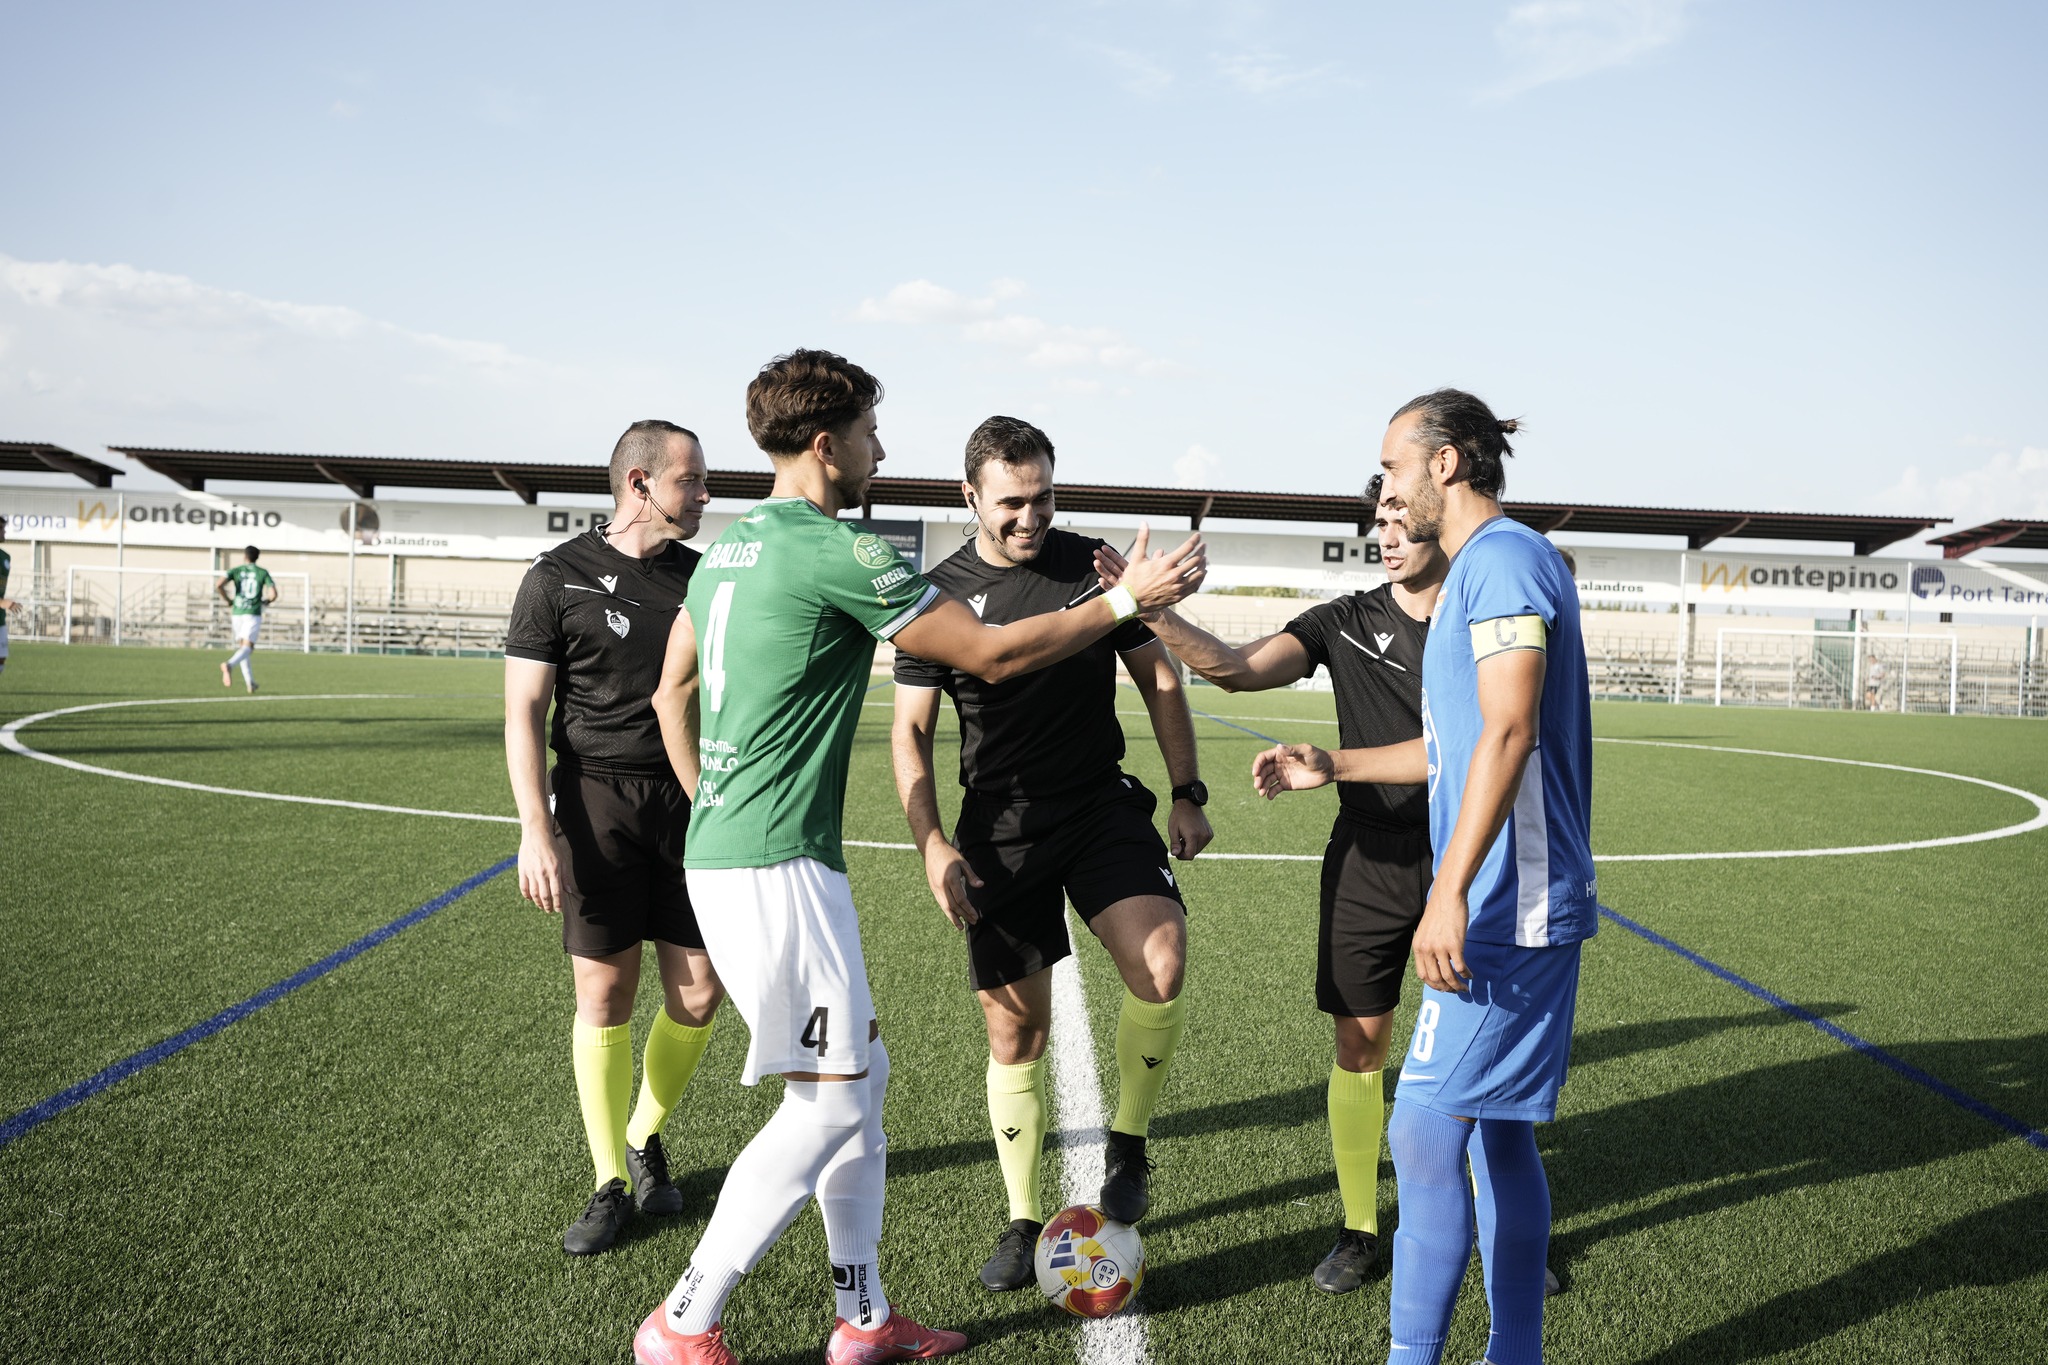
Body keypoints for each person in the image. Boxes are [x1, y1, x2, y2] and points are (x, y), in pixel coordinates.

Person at [637, 349, 1206, 1365]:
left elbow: (668, 691)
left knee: (863, 1078)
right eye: (867, 433)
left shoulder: (728, 549)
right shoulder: (833, 550)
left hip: (738, 851)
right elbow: (987, 655)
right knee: (826, 1103)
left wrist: (709, 800)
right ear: (825, 444)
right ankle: (684, 1317)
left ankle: (862, 1318)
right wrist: (1128, 601)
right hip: (774, 866)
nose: (877, 449)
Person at [1254, 389, 1593, 1365]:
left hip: (1503, 906)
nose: (1388, 489)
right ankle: (1513, 1354)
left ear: (1443, 464)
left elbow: (1508, 729)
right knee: (1494, 1139)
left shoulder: (1501, 562)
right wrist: (1340, 764)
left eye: (1394, 466)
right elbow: (1455, 743)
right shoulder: (1482, 573)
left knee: (1422, 1136)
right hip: (1510, 899)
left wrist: (1444, 892)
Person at [1095, 474, 1443, 1295]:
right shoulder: (1346, 620)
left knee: (1471, 1053)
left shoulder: (1480, 620)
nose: (1386, 535)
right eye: (1378, 521)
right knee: (1360, 1046)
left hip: (1465, 854)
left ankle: (1497, 1223)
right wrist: (1149, 610)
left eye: (1402, 519)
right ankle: (1360, 1227)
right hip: (1367, 858)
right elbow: (1240, 668)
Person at [891, 416, 1212, 1293]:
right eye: (1011, 503)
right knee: (1015, 1029)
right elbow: (911, 736)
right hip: (1000, 825)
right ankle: (1024, 1215)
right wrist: (932, 843)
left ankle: (1129, 1142)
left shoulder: (1091, 565)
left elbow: (1159, 675)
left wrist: (1187, 789)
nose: (1030, 517)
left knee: (1162, 957)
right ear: (970, 497)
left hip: (1099, 804)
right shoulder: (936, 594)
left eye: (1043, 498)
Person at [504, 419, 725, 1256]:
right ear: (639, 482)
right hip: (594, 802)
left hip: (690, 803)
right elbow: (524, 710)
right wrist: (538, 825)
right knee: (604, 995)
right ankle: (607, 1179)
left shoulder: (702, 580)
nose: (705, 496)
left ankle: (644, 1129)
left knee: (699, 992)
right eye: (691, 482)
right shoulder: (555, 578)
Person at [216, 546, 278, 692]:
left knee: (243, 648)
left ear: (245, 556)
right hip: (253, 612)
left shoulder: (236, 570)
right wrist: (266, 602)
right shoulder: (262, 572)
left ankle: (250, 683)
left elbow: (219, 585)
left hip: (237, 612)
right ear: (257, 557)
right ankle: (229, 665)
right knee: (248, 647)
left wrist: (228, 600)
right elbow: (274, 594)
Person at [0, 512, 18, 677]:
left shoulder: (5, 557)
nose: (4, 532)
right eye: (1, 529)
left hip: (0, 619)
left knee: (1, 658)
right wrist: (2, 603)